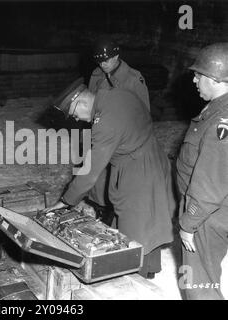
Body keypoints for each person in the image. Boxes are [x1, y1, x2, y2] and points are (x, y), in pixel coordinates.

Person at [43, 78, 175, 279]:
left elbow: (90, 172)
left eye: (74, 114)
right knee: (149, 219)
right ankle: (149, 268)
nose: (77, 120)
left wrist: (65, 201)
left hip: (137, 172)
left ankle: (134, 279)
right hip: (153, 157)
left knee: (134, 229)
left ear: (81, 102)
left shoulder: (105, 123)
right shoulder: (118, 93)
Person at [176, 43, 228, 300]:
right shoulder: (218, 109)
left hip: (208, 216)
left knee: (198, 286)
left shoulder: (221, 121)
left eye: (200, 75)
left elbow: (210, 183)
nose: (194, 79)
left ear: (217, 79)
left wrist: (189, 222)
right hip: (215, 210)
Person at [86, 39, 151, 225]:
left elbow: (143, 114)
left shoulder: (133, 78)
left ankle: (116, 217)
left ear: (116, 56)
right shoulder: (96, 74)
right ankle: (101, 210)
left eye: (106, 60)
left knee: (119, 182)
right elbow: (91, 104)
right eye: (99, 61)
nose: (103, 64)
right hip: (102, 134)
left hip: (124, 140)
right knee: (98, 178)